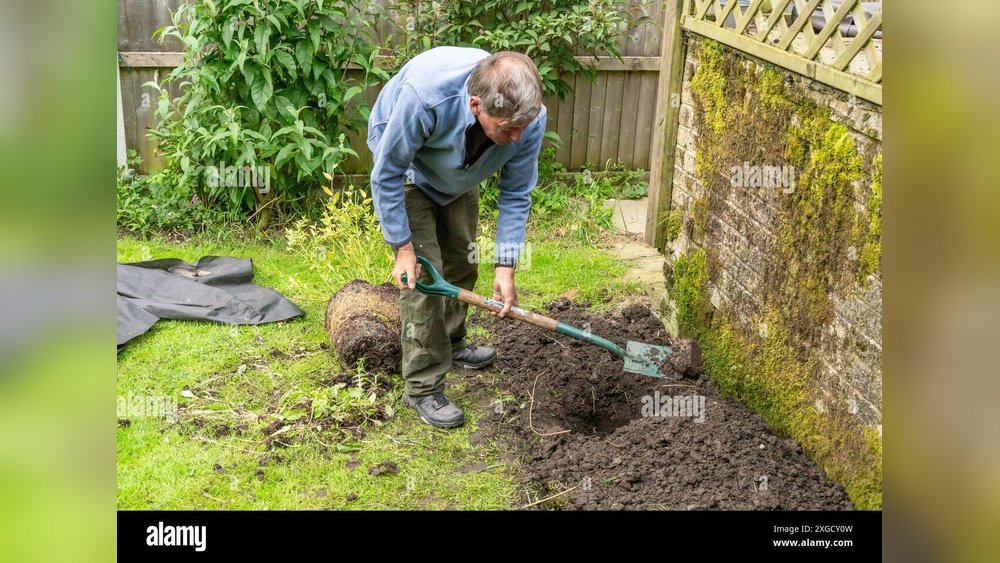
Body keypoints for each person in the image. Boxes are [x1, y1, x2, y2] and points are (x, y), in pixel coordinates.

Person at [366, 46, 546, 428]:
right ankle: (423, 384)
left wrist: (506, 264)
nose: (517, 138)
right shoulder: (426, 97)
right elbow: (386, 173)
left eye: (523, 127)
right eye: (508, 128)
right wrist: (402, 248)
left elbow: (516, 193)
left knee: (463, 262)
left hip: (460, 170)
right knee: (425, 281)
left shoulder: (527, 119)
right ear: (476, 105)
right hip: (407, 167)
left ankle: (452, 339)